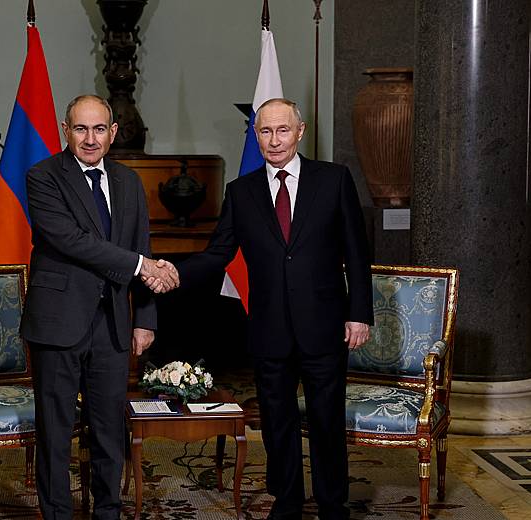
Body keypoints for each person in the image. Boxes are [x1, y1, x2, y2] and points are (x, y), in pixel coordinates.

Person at [159, 98, 373, 519]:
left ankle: (332, 504)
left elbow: (357, 252)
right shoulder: (241, 192)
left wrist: (360, 313)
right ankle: (287, 501)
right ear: (256, 136)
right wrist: (173, 272)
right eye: (265, 131)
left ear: (300, 132)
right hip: (269, 327)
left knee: (327, 420)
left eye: (282, 130)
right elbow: (218, 253)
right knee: (277, 421)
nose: (274, 140)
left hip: (324, 323)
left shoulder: (333, 180)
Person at [20, 94, 178, 520]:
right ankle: (57, 514)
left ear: (112, 133)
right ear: (65, 130)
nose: (90, 139)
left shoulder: (129, 181)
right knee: (55, 433)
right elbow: (73, 241)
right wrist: (143, 266)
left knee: (110, 430)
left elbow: (141, 244)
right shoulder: (43, 177)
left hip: (112, 324)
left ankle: (108, 512)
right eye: (81, 129)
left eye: (99, 129)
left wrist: (145, 319)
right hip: (58, 322)